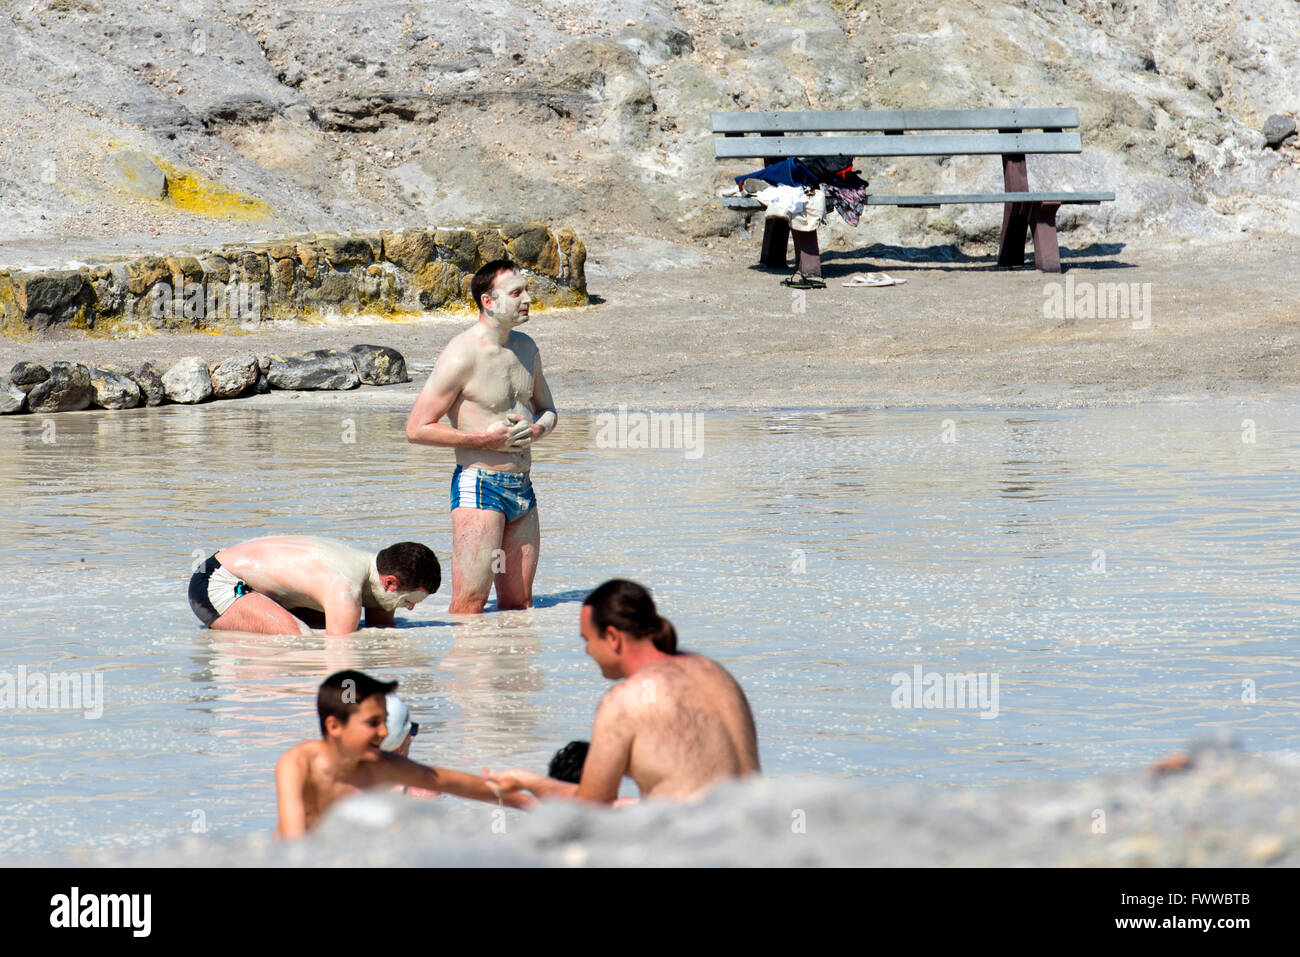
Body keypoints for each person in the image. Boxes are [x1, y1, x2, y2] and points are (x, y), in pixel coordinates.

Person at [488, 580, 761, 804]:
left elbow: (592, 807)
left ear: (612, 637)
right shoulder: (715, 673)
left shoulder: (624, 702)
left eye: (588, 640)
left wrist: (531, 784)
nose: (587, 651)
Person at [405, 259, 557, 614]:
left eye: (526, 291)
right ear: (488, 301)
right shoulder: (462, 354)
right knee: (470, 606)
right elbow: (416, 429)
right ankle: (467, 667)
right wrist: (480, 441)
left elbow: (549, 411)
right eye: (516, 293)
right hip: (480, 488)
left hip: (523, 489)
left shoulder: (526, 348)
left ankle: (512, 670)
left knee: (519, 606)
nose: (527, 299)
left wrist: (537, 429)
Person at [274, 671, 532, 838]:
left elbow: (456, 783)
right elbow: (295, 847)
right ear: (334, 727)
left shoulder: (383, 767)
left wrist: (534, 806)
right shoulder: (299, 764)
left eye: (385, 721)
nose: (384, 731)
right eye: (373, 723)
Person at [188, 536, 439, 637]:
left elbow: (382, 631)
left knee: (321, 629)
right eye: (410, 600)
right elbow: (341, 652)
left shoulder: (379, 579)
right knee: (299, 637)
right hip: (217, 580)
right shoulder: (345, 587)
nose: (412, 608)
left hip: (263, 587)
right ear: (390, 583)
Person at [382, 692, 439, 799]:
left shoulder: (345, 788)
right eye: (412, 730)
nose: (413, 736)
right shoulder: (422, 792)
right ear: (399, 746)